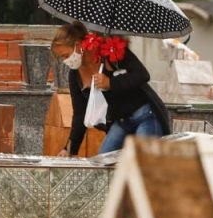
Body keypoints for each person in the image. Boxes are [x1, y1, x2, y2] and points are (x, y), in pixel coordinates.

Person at [51, 21, 171, 155]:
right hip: (120, 122)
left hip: (145, 115)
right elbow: (80, 113)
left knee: (141, 162)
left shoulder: (110, 50)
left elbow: (142, 75)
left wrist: (111, 83)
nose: (65, 61)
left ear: (78, 46)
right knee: (103, 160)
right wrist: (70, 149)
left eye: (65, 56)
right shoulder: (74, 75)